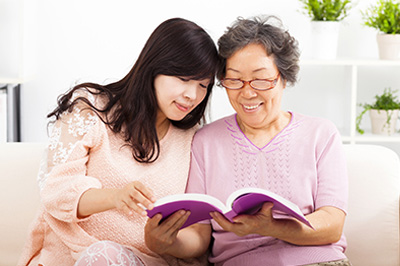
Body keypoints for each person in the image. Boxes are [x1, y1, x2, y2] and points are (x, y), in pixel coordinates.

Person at [145, 16, 351, 266]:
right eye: (234, 80)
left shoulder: (321, 134)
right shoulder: (204, 141)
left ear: (283, 78)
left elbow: (332, 225)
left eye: (261, 79)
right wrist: (166, 243)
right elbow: (199, 234)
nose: (247, 92)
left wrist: (272, 227)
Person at [17, 17, 219, 266]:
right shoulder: (91, 110)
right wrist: (114, 197)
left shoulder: (194, 139)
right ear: (155, 67)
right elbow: (56, 191)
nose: (192, 95)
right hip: (73, 256)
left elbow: (198, 231)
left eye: (203, 85)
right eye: (184, 79)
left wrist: (167, 242)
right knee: (102, 255)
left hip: (147, 261)